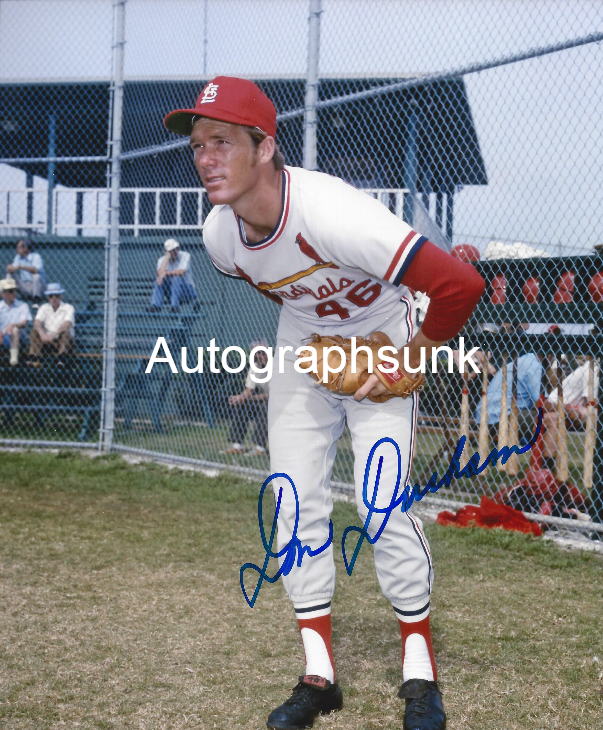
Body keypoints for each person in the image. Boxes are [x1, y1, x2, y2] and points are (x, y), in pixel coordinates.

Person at [165, 76, 485, 730]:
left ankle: (418, 672)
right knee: (291, 497)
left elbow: (458, 285)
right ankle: (319, 675)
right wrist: (315, 337)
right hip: (306, 350)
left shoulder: (332, 212)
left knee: (381, 504)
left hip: (385, 346)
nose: (204, 157)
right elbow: (282, 284)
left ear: (265, 148)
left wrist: (411, 353)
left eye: (222, 141)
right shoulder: (219, 237)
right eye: (197, 144)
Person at [542, 356, 600, 472]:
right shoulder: (592, 368)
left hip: (577, 409)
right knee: (593, 413)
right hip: (558, 406)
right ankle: (547, 469)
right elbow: (592, 404)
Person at [475, 351, 544, 447]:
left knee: (542, 415)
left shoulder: (521, 361)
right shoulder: (534, 365)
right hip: (500, 417)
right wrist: (567, 410)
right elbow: (541, 403)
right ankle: (546, 461)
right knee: (550, 418)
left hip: (483, 417)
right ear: (549, 355)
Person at [221, 342, 270, 456]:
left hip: (277, 401)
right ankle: (237, 446)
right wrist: (239, 398)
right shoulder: (256, 367)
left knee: (265, 406)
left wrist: (251, 397)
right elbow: (248, 390)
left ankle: (260, 448)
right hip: (264, 398)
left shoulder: (276, 365)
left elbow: (272, 394)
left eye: (261, 353)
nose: (258, 356)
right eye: (255, 353)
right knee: (242, 403)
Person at [27, 283, 75, 367]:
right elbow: (37, 321)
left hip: (60, 339)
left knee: (66, 331)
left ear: (60, 296)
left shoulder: (68, 307)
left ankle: (61, 359)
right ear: (48, 297)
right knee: (35, 331)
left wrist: (54, 334)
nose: (53, 298)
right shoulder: (44, 307)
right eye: (51, 296)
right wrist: (42, 334)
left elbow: (67, 323)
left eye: (56, 295)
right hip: (46, 339)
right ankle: (35, 359)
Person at [149, 238, 197, 312]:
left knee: (176, 278)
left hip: (187, 291)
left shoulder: (185, 255)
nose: (175, 252)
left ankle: (174, 307)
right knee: (159, 280)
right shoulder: (162, 260)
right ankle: (156, 306)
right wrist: (167, 258)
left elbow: (181, 272)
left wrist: (165, 273)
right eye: (172, 250)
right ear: (166, 252)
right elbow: (160, 273)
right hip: (171, 292)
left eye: (176, 249)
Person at [0, 278, 32, 366]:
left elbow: (23, 322)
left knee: (15, 329)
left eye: (13, 290)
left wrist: (13, 325)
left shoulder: (22, 305)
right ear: (2, 293)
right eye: (9, 291)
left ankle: (13, 360)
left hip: (19, 339)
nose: (13, 293)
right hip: (3, 337)